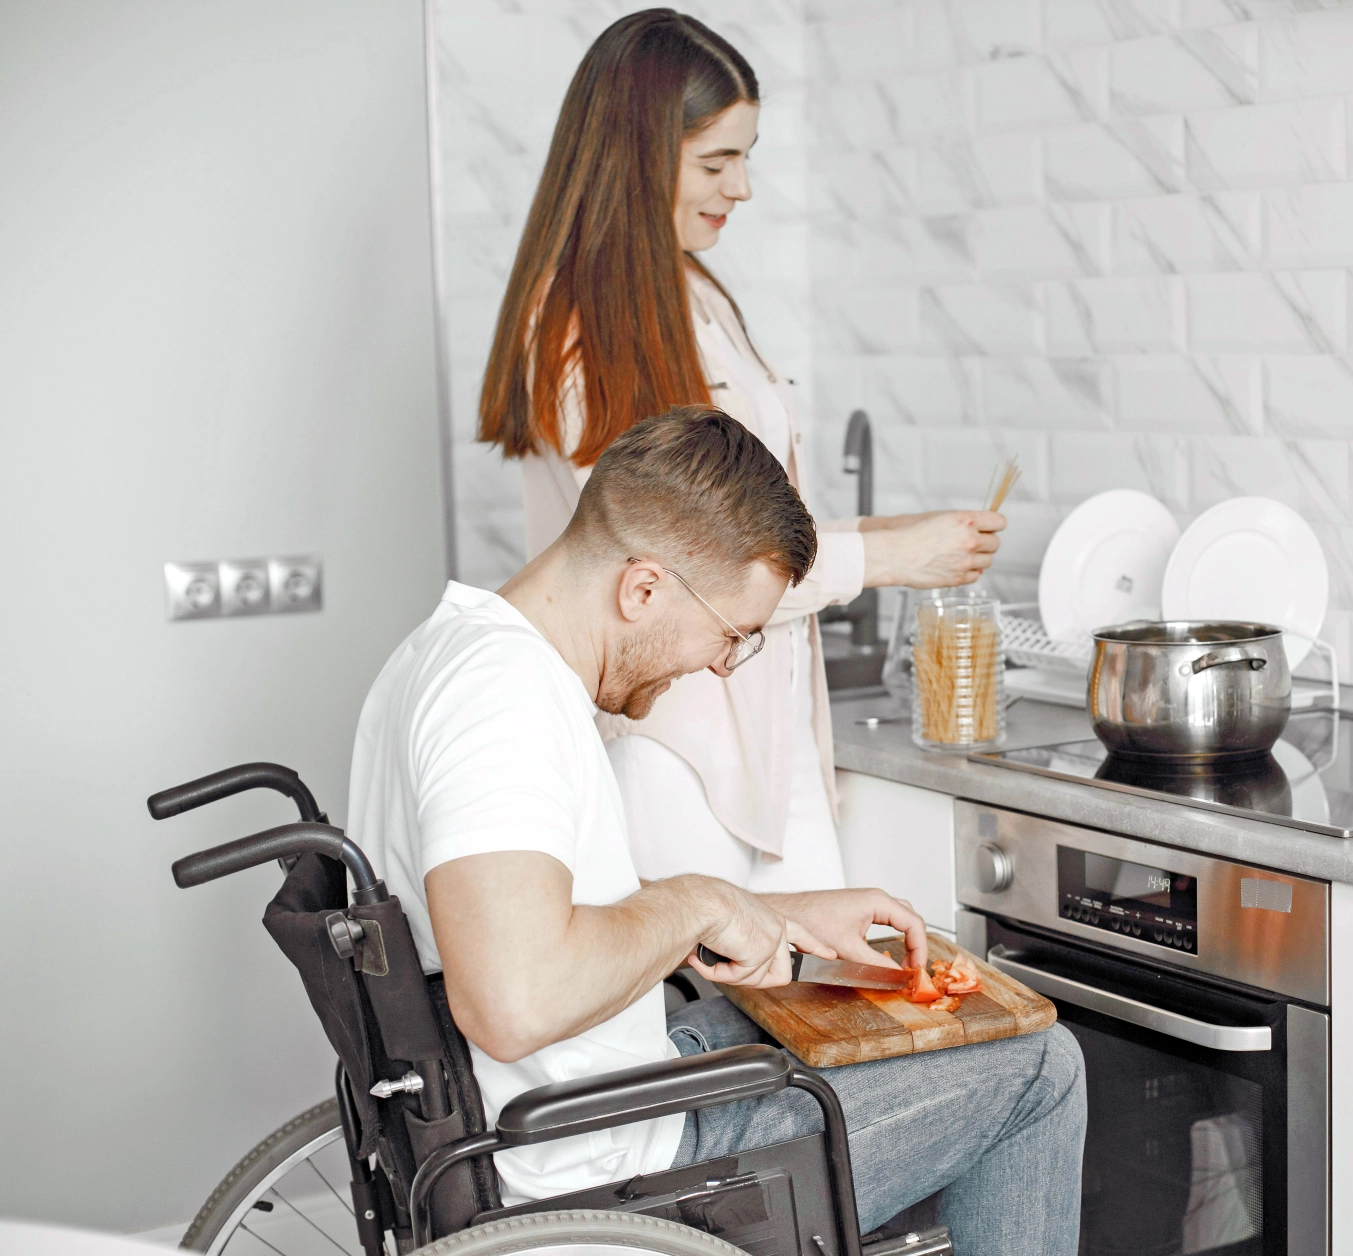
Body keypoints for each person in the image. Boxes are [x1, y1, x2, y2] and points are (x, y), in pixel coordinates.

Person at [349, 408, 1084, 1254]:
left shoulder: (451, 655)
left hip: (591, 1107)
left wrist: (771, 912)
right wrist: (699, 901)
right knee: (1039, 1069)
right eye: (733, 635)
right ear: (644, 588)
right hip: (607, 1181)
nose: (718, 665)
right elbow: (515, 1003)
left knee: (857, 1031)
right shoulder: (502, 705)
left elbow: (539, 928)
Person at [477, 9, 1006, 894]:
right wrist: (888, 556)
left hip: (768, 734)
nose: (744, 188)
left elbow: (747, 512)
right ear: (636, 156)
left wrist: (889, 531)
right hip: (673, 744)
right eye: (717, 162)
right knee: (735, 1017)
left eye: (746, 157)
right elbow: (686, 553)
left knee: (808, 1009)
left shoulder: (696, 295)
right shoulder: (578, 332)